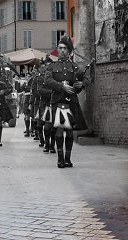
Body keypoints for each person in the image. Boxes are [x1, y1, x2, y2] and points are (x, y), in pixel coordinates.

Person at [44, 34, 89, 168]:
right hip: (57, 101)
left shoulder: (74, 67)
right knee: (58, 132)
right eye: (60, 48)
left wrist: (81, 85)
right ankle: (60, 159)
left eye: (64, 48)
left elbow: (84, 79)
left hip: (70, 102)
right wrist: (62, 86)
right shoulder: (52, 66)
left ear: (68, 51)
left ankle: (68, 159)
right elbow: (47, 81)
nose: (61, 50)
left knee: (69, 133)